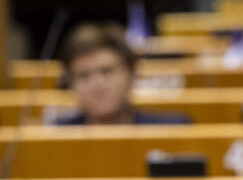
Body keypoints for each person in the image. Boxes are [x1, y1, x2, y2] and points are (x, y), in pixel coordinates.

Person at [53, 22, 190, 125]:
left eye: (107, 72)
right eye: (84, 77)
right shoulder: (53, 137)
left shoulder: (172, 129)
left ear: (131, 74)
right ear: (70, 84)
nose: (97, 85)